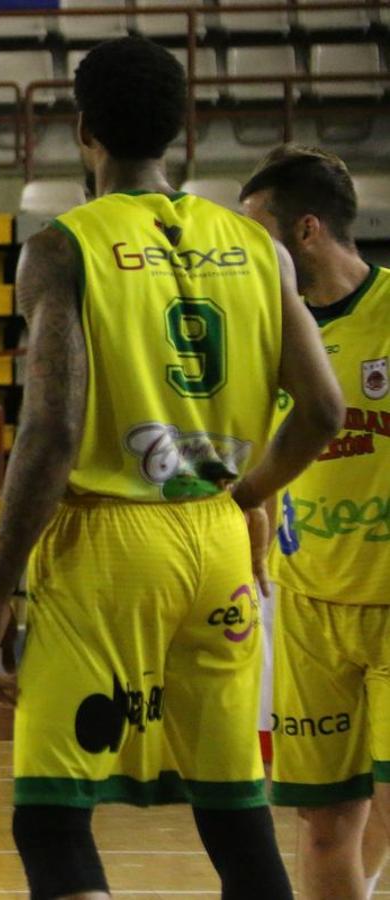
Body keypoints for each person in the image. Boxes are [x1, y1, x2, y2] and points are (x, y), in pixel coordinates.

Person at [0, 36, 344, 899]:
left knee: (52, 817)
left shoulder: (62, 248)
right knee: (235, 813)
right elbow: (322, 411)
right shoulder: (261, 248)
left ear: (82, 131)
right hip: (217, 541)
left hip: (106, 542)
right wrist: (242, 498)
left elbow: (52, 431)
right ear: (183, 127)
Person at [239, 145, 389, 900]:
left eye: (254, 231)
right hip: (305, 611)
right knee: (324, 826)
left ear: (305, 232)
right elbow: (255, 466)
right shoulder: (262, 337)